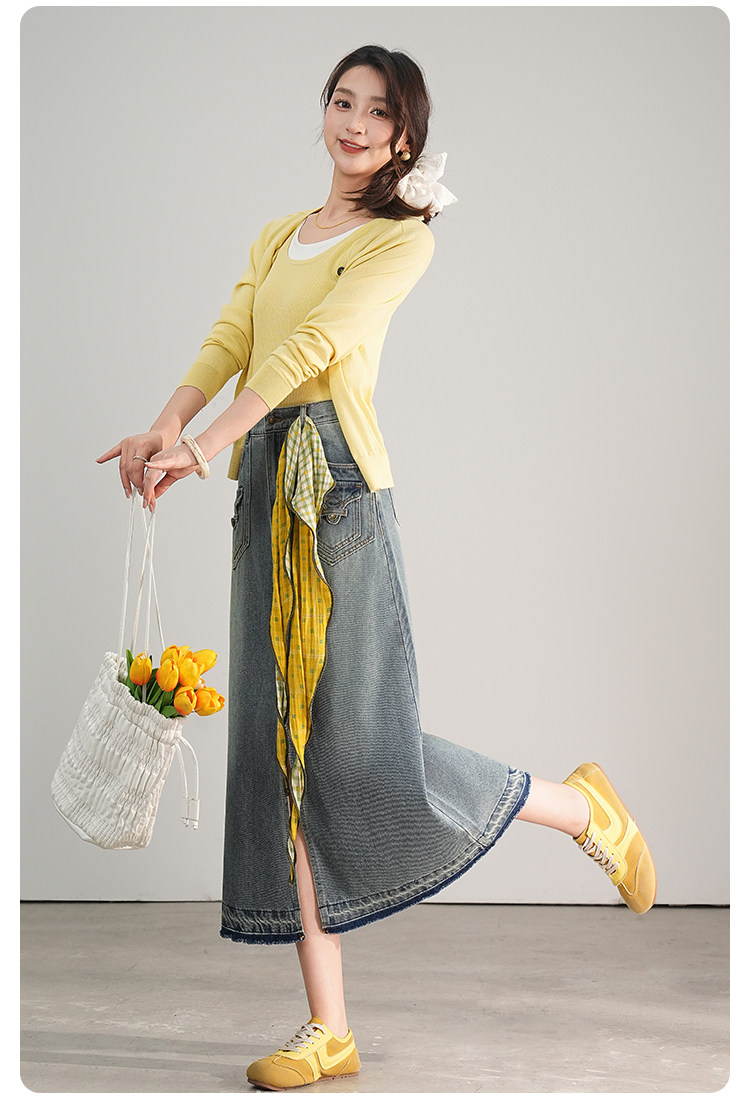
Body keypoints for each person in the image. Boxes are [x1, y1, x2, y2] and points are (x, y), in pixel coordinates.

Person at [96, 44, 656, 1092]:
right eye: (342, 101)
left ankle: (585, 812)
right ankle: (330, 1029)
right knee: (286, 755)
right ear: (325, 112)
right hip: (267, 485)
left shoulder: (403, 239)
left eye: (379, 111)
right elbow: (232, 337)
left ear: (405, 136)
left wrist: (203, 448)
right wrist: (168, 424)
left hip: (339, 491)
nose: (355, 123)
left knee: (358, 749)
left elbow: (307, 350)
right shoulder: (278, 234)